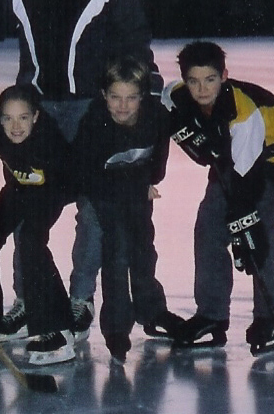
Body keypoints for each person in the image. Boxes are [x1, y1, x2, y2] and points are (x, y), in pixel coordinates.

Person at [2, 0, 159, 340]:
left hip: (92, 108)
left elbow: (133, 31)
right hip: (36, 110)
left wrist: (142, 86)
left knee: (91, 207)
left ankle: (79, 298)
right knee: (29, 203)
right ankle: (27, 298)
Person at [162, 41, 274, 354]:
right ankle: (211, 316)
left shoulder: (244, 114)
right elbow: (163, 95)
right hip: (233, 158)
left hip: (272, 161)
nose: (202, 89)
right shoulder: (178, 96)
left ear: (224, 76)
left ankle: (270, 319)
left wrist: (244, 220)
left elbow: (246, 177)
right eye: (194, 81)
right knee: (209, 229)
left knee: (258, 232)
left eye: (210, 80)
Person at [0, 85, 76, 365]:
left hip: (52, 190)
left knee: (32, 244)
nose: (15, 126)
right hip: (17, 188)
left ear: (36, 117)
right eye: (8, 118)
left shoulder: (50, 143)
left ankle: (58, 327)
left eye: (23, 118)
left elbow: (75, 175)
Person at [70, 55, 183, 363]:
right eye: (115, 97)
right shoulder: (95, 124)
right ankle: (117, 328)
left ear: (142, 97)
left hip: (136, 192)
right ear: (104, 95)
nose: (123, 106)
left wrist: (144, 184)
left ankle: (152, 310)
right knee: (117, 254)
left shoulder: (156, 117)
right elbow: (88, 175)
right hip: (101, 195)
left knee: (144, 251)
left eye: (131, 98)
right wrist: (134, 186)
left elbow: (156, 164)